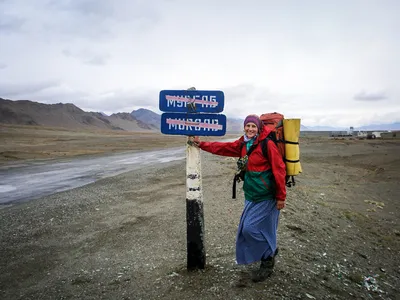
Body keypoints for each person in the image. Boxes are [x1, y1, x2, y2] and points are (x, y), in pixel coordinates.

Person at [193, 114, 286, 283]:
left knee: (249, 229)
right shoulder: (243, 143)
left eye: (253, 127)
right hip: (251, 193)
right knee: (261, 228)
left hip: (267, 195)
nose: (250, 129)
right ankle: (270, 250)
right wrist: (202, 145)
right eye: (247, 126)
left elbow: (279, 170)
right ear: (244, 127)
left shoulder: (268, 144)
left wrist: (281, 197)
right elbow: (223, 148)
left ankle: (268, 258)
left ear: (259, 128)